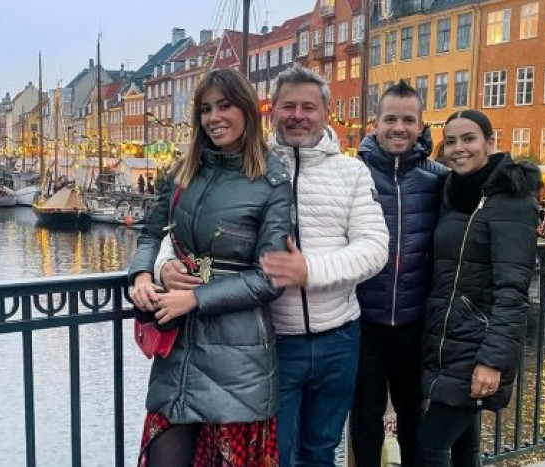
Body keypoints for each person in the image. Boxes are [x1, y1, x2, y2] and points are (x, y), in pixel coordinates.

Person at [154, 65, 389, 466]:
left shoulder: (351, 171)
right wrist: (162, 264)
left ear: (326, 113)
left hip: (339, 337)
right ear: (271, 111)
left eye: (309, 107)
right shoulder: (253, 167)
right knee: (276, 454)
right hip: (272, 340)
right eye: (289, 106)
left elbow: (374, 247)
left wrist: (309, 270)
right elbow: (183, 223)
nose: (298, 115)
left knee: (321, 449)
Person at [128, 68, 293, 466]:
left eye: (225, 105)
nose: (214, 117)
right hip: (179, 350)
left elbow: (271, 277)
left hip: (238, 357)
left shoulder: (270, 181)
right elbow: (151, 232)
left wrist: (195, 299)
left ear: (247, 111)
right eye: (205, 109)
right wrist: (143, 274)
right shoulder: (184, 171)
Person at [417, 110, 539, 466]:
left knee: (430, 442)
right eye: (451, 141)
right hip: (444, 340)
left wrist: (492, 360)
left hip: (476, 345)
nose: (458, 149)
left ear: (490, 142)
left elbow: (513, 290)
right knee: (461, 444)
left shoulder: (512, 199)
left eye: (469, 139)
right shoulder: (452, 191)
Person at [351, 80, 448, 467]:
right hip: (364, 321)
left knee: (413, 418)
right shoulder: (353, 174)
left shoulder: (438, 178)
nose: (399, 128)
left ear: (421, 126)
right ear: (375, 123)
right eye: (390, 118)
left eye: (408, 120)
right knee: (365, 418)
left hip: (414, 321)